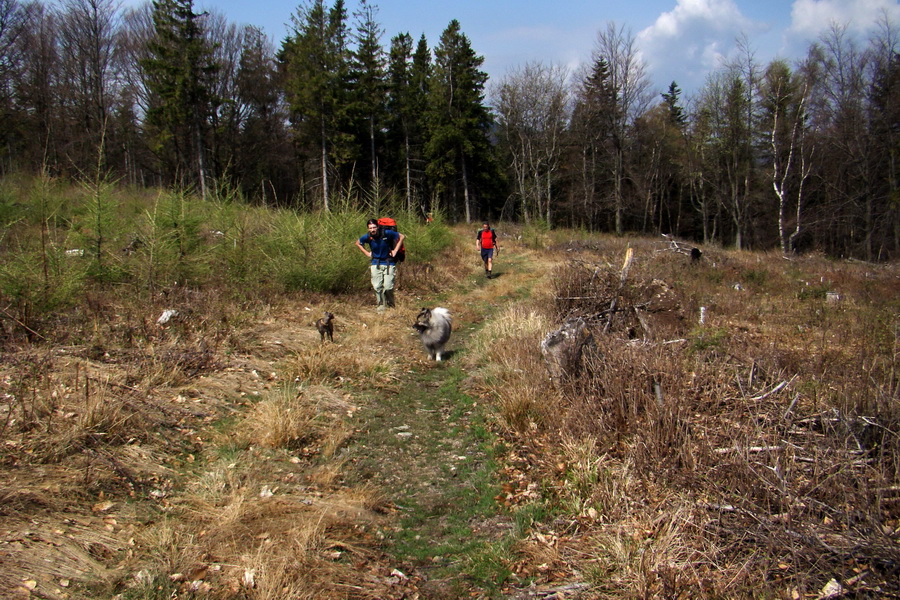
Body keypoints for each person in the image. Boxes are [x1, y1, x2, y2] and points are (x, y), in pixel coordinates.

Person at [355, 218, 405, 311]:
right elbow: (358, 243)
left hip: (388, 262)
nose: (372, 230)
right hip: (375, 263)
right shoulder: (368, 236)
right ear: (368, 229)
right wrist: (367, 253)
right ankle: (381, 306)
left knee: (388, 286)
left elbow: (401, 236)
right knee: (377, 287)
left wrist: (395, 250)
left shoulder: (387, 233)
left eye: (374, 227)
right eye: (370, 228)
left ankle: (391, 305)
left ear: (378, 227)